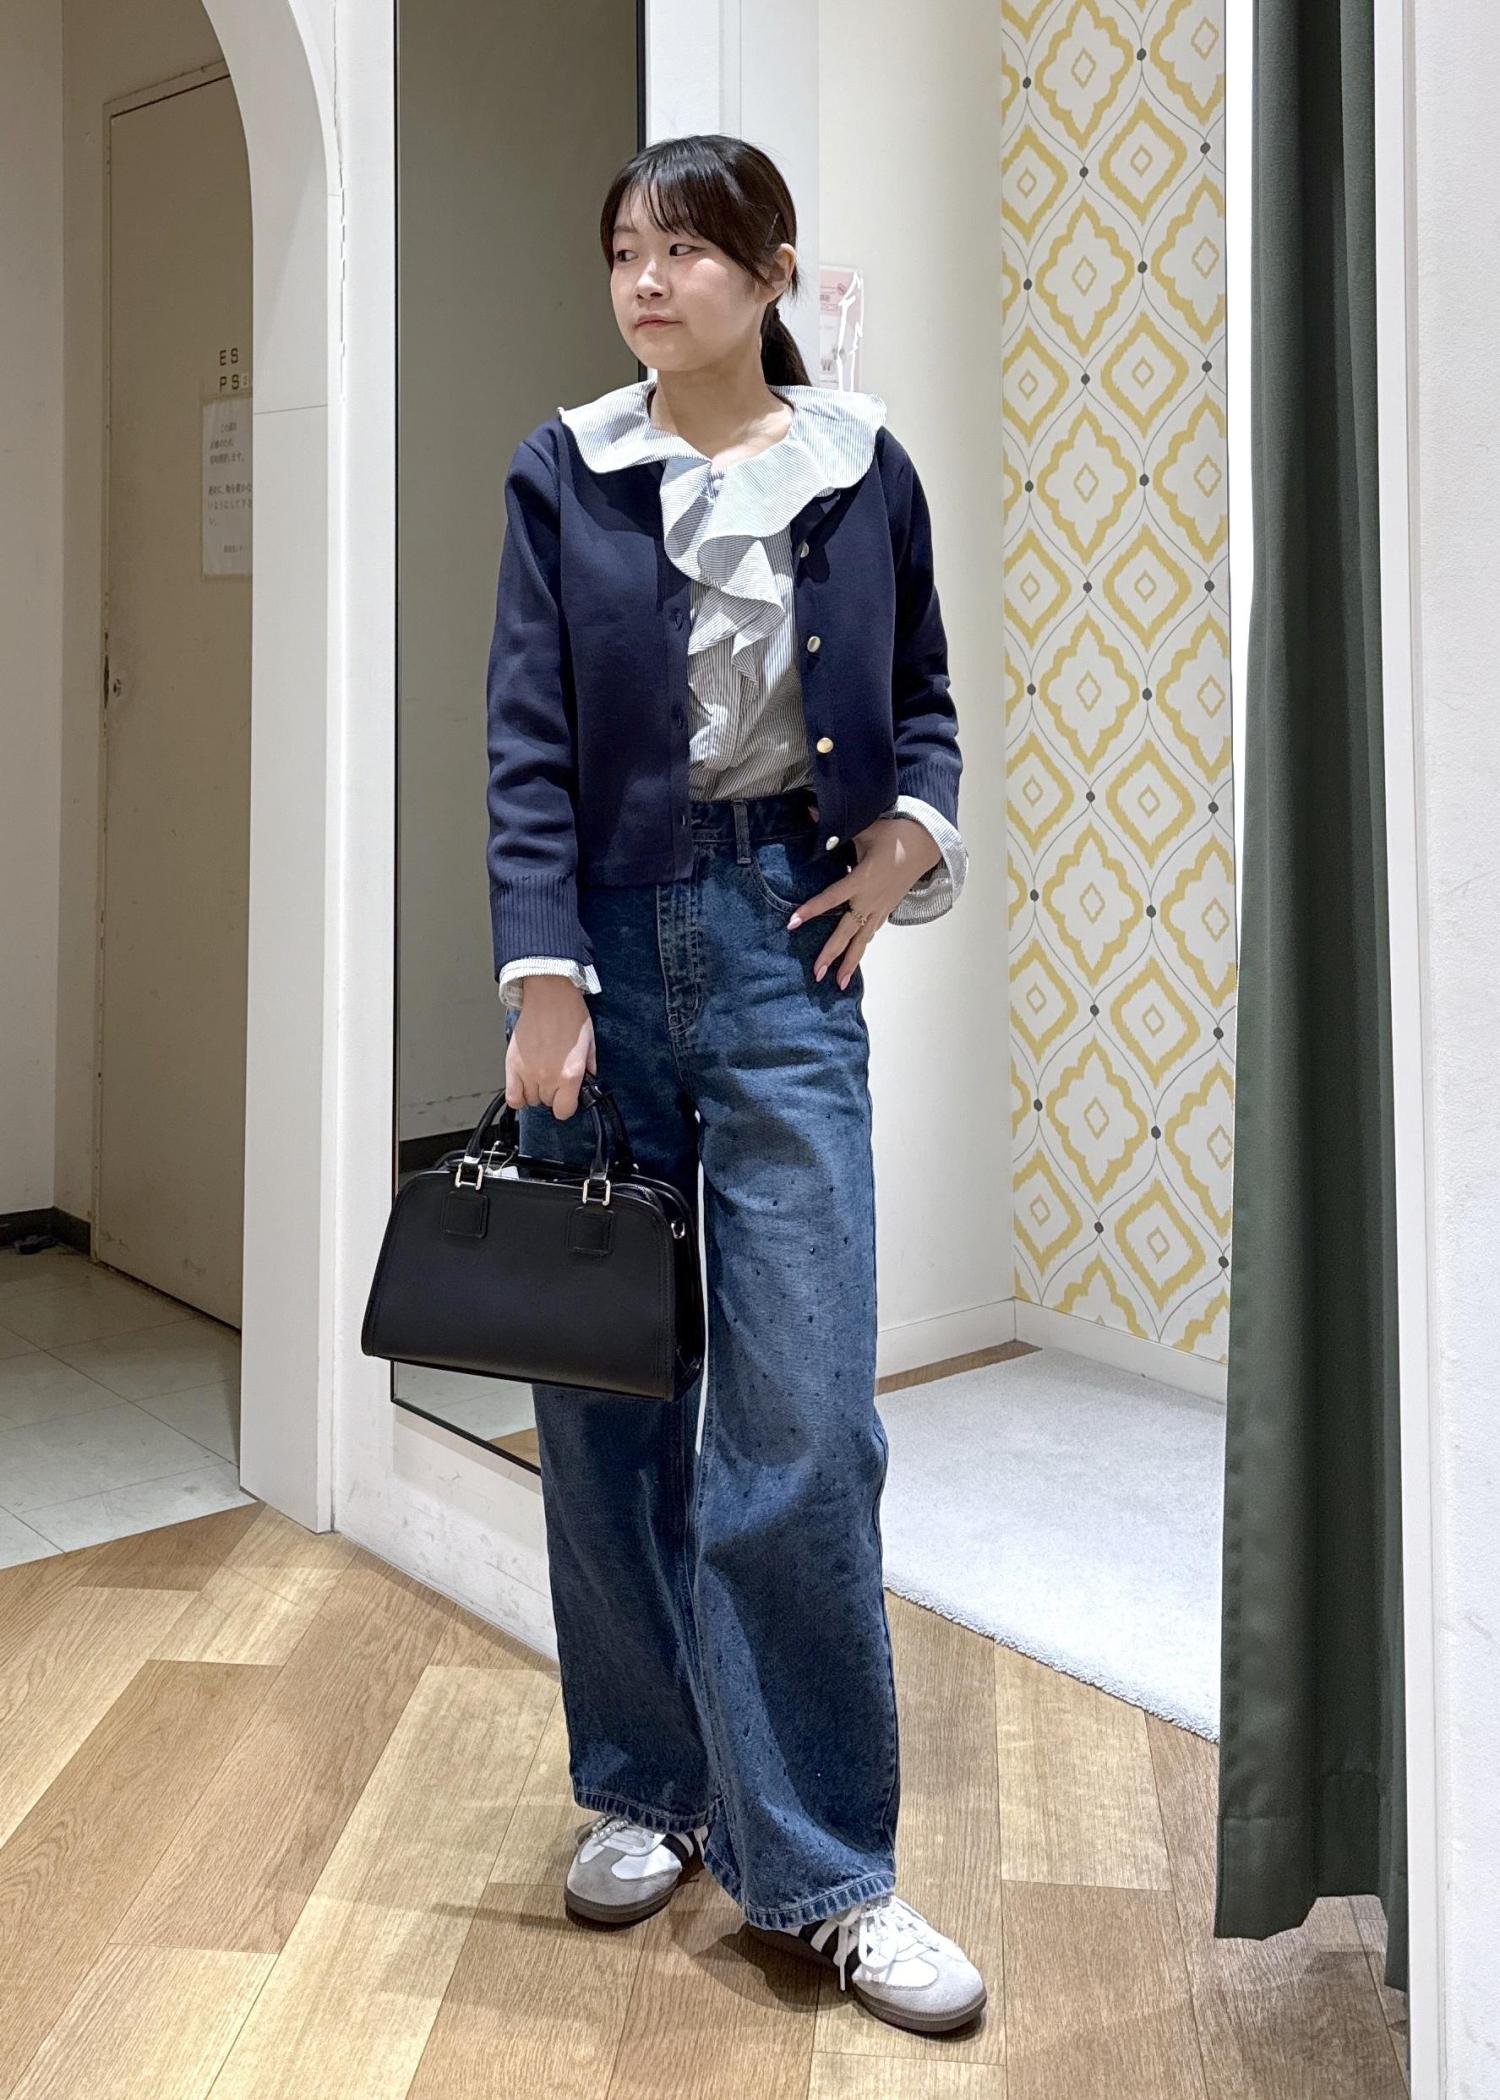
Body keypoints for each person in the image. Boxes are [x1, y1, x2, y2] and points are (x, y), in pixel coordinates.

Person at [485, 132, 985, 2035]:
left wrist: (908, 839)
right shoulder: (565, 467)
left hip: (787, 949)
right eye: (625, 247)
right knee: (608, 1399)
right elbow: (527, 733)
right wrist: (544, 975)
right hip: (603, 959)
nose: (646, 280)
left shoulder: (861, 464)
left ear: (772, 273)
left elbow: (921, 693)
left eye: (687, 249)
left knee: (805, 1420)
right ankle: (645, 1787)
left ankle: (827, 1870)